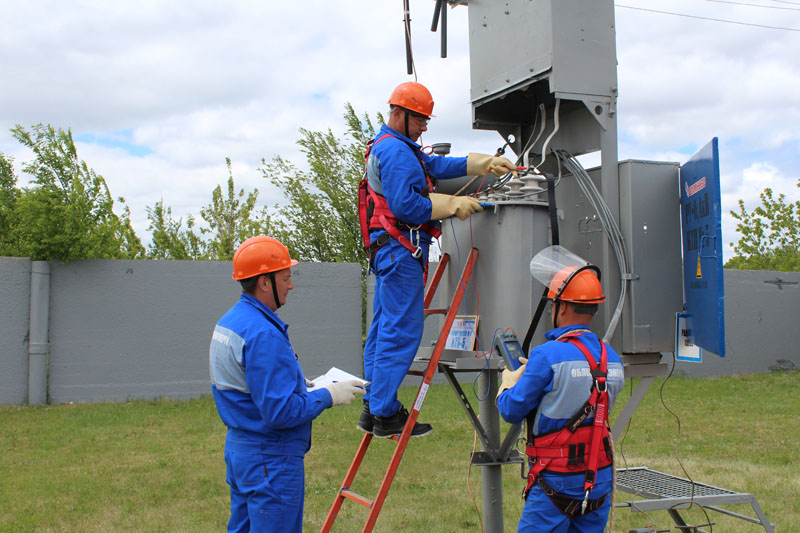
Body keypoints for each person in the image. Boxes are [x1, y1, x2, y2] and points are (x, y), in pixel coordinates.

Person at [358, 81, 518, 438]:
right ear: (398, 114)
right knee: (400, 333)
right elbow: (407, 206)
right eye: (420, 120)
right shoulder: (398, 152)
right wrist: (452, 205)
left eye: (427, 121)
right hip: (400, 252)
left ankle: (373, 407)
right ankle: (385, 413)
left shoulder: (393, 146)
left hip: (388, 251)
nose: (424, 127)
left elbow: (435, 164)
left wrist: (482, 163)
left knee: (384, 330)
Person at [209, 235, 365, 533]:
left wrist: (295, 383)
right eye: (286, 278)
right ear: (264, 282)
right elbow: (279, 413)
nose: (291, 285)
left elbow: (243, 383)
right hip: (270, 459)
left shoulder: (230, 321)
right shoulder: (263, 333)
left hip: (242, 452)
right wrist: (327, 395)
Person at [496, 246, 625, 532]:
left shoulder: (547, 356)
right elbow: (579, 391)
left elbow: (511, 410)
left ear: (562, 307)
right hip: (597, 479)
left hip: (555, 479)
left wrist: (507, 384)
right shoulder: (612, 358)